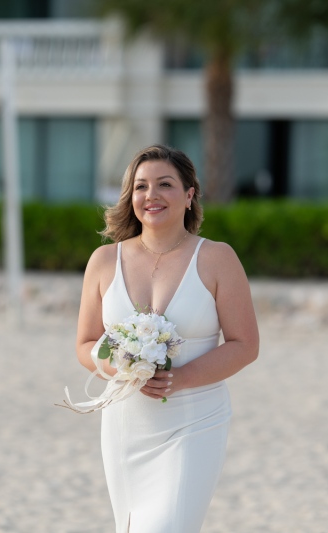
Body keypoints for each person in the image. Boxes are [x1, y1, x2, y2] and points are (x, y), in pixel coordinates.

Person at [75, 144, 259, 532]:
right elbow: (86, 342)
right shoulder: (104, 261)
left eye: (165, 184)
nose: (151, 195)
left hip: (194, 420)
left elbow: (245, 344)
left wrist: (179, 379)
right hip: (126, 423)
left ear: (190, 195)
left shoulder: (217, 258)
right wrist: (119, 365)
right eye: (141, 187)